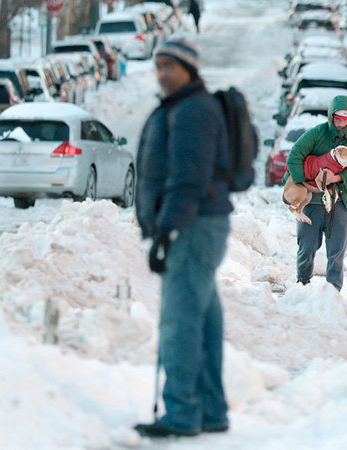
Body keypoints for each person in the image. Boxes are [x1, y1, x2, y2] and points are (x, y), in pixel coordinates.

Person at [133, 37, 233, 438]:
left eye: (169, 66)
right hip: (200, 223)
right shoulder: (187, 107)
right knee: (202, 319)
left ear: (189, 68)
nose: (162, 73)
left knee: (179, 322)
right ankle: (211, 410)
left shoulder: (193, 111)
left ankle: (182, 412)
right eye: (158, 66)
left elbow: (187, 179)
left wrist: (167, 229)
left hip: (192, 226)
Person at [283, 95, 347, 291]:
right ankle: (303, 283)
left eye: (346, 119)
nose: (341, 123)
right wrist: (303, 182)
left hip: (339, 197)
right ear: (331, 116)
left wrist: (337, 178)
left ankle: (333, 290)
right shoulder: (316, 134)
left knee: (337, 247)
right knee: (307, 246)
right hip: (312, 200)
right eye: (338, 118)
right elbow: (294, 156)